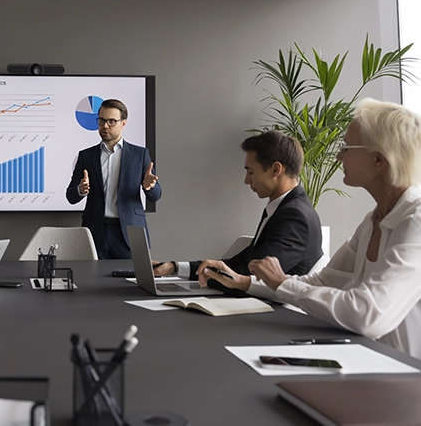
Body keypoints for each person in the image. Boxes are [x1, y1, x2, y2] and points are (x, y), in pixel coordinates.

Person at [199, 99, 421, 358]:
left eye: (346, 147)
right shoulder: (373, 221)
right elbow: (322, 281)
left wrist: (281, 282)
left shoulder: (415, 222)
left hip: (405, 377)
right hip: (373, 361)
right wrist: (246, 283)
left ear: (379, 159)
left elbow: (367, 316)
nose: (338, 155)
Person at [153, 130, 322, 283]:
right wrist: (173, 267)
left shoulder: (294, 216)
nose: (246, 180)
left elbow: (246, 278)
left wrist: (202, 278)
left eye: (251, 172)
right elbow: (236, 264)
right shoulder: (284, 209)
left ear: (276, 169)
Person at [66, 98, 161, 259]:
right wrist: (80, 190)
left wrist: (149, 187)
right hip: (96, 232)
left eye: (111, 121)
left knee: (130, 282)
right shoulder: (86, 156)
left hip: (129, 233)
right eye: (101, 121)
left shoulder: (139, 154)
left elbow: (157, 195)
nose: (105, 126)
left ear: (123, 123)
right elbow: (70, 196)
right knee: (92, 282)